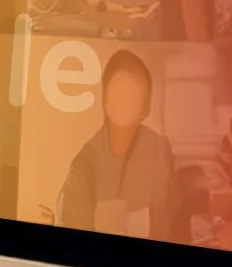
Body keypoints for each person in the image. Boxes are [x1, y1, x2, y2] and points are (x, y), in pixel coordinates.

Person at [49, 50, 174, 239]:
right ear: (105, 99)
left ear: (145, 106)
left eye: (132, 95)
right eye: (118, 93)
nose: (124, 102)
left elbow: (170, 219)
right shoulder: (84, 164)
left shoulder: (158, 149)